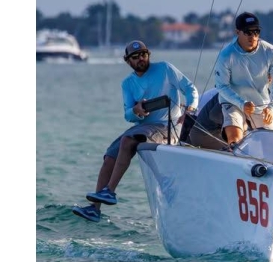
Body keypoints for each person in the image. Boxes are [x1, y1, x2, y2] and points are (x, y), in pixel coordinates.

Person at [72, 40, 199, 222]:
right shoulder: (128, 84)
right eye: (135, 57)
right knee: (109, 156)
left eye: (144, 54)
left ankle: (110, 191)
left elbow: (191, 89)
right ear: (127, 61)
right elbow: (128, 114)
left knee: (128, 140)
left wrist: (191, 109)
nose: (141, 58)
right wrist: (137, 111)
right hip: (143, 126)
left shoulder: (165, 69)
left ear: (148, 54)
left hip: (168, 126)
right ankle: (94, 209)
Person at [216, 12, 273, 146]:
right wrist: (242, 103)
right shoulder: (226, 55)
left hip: (261, 105)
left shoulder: (270, 52)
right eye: (248, 32)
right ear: (238, 32)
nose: (253, 36)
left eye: (256, 31)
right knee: (235, 138)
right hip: (233, 103)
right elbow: (222, 86)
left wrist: (272, 108)